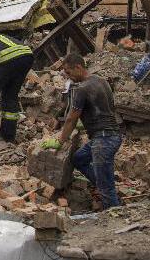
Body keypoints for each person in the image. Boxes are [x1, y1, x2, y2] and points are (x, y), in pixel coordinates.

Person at [47, 52, 123, 209]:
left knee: (105, 188)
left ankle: (115, 213)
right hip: (111, 135)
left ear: (78, 67)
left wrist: (60, 141)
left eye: (69, 72)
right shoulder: (101, 81)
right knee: (78, 158)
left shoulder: (82, 88)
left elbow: (71, 119)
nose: (69, 77)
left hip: (103, 140)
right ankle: (104, 182)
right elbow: (103, 107)